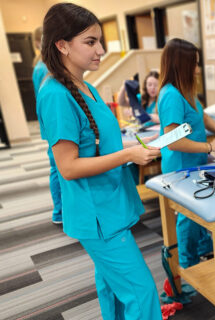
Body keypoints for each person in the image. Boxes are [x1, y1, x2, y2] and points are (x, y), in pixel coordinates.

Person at [36, 3, 162, 319]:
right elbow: (67, 166)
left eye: (99, 41)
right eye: (90, 42)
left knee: (113, 288)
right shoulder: (56, 94)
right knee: (141, 292)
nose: (101, 50)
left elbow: (99, 143)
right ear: (62, 45)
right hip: (97, 215)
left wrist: (132, 147)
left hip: (110, 205)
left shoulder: (85, 86)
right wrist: (127, 155)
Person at [157, 38, 215, 268]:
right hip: (180, 167)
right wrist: (211, 147)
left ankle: (202, 251)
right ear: (182, 64)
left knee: (200, 211)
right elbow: (173, 141)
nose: (198, 69)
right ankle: (187, 265)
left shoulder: (187, 89)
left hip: (195, 163)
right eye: (195, 63)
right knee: (187, 219)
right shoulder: (171, 95)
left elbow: (201, 116)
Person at [32, 26, 63, 224]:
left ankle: (59, 210)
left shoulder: (39, 66)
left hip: (49, 122)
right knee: (58, 168)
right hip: (52, 122)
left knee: (55, 167)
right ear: (37, 43)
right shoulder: (44, 67)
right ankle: (59, 212)